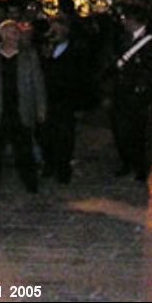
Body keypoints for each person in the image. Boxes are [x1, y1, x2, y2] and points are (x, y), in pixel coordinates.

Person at [0, 19, 46, 197]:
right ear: (3, 34)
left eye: (18, 32)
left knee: (24, 150)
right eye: (13, 32)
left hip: (21, 109)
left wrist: (41, 107)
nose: (17, 35)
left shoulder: (29, 56)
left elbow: (38, 84)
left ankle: (31, 184)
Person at [110, 4, 152, 182]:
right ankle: (126, 162)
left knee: (139, 132)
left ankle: (141, 167)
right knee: (120, 129)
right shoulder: (122, 38)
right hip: (121, 91)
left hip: (138, 94)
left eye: (126, 19)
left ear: (134, 20)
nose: (124, 22)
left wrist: (143, 87)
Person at [40, 15, 89, 184]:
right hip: (47, 97)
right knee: (46, 133)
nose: (56, 32)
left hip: (66, 99)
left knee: (65, 135)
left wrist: (80, 103)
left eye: (59, 28)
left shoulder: (77, 49)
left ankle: (63, 168)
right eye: (53, 28)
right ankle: (49, 163)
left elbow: (82, 77)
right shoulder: (45, 48)